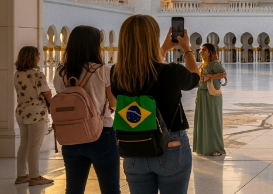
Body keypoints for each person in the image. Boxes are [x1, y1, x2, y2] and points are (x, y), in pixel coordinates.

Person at [110, 15, 200, 194]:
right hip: (171, 147)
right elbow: (194, 78)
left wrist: (165, 48)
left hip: (134, 149)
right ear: (153, 39)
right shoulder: (171, 71)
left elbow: (144, 70)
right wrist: (187, 49)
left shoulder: (116, 73)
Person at [52, 26, 120, 194]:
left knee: (73, 190)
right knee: (110, 189)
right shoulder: (103, 71)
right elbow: (113, 104)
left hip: (69, 136)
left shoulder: (61, 72)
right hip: (101, 134)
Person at [14, 46, 54, 186]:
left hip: (21, 111)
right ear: (33, 57)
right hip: (37, 112)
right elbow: (47, 93)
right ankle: (35, 177)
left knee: (24, 144)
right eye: (38, 55)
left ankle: (21, 175)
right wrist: (52, 104)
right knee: (34, 146)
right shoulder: (37, 74)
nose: (39, 57)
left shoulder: (18, 74)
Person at [194, 43, 226, 156]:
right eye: (200, 50)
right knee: (204, 120)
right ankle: (205, 148)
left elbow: (223, 74)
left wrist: (211, 76)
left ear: (210, 52)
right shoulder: (203, 65)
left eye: (204, 50)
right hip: (202, 95)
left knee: (212, 120)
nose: (201, 51)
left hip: (211, 95)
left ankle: (216, 148)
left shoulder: (214, 63)